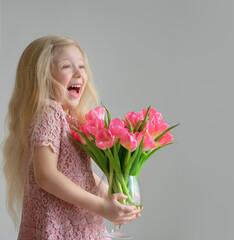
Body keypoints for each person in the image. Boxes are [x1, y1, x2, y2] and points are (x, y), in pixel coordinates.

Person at [2, 35, 140, 239]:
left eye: (82, 66)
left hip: (76, 226)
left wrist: (106, 191)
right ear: (43, 76)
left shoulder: (71, 119)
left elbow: (75, 172)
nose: (78, 73)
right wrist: (102, 205)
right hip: (60, 227)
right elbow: (46, 175)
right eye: (67, 66)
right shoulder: (50, 113)